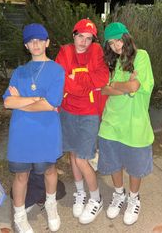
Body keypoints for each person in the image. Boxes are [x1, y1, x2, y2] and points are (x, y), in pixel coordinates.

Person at [3, 23, 65, 233]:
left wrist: (21, 100)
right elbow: (7, 103)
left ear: (47, 43)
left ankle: (51, 205)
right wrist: (36, 99)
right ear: (26, 46)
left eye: (39, 39)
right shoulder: (20, 72)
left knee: (49, 170)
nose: (35, 43)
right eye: (31, 41)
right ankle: (19, 216)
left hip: (46, 131)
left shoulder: (57, 70)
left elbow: (52, 103)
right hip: (21, 133)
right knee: (21, 176)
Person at [98, 22, 154, 226]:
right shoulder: (113, 62)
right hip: (111, 121)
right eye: (111, 43)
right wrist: (123, 86)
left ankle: (133, 198)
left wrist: (116, 86)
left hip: (135, 123)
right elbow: (104, 90)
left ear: (127, 37)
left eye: (118, 40)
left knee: (135, 166)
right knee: (113, 161)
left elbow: (135, 86)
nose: (115, 45)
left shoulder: (142, 56)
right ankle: (119, 194)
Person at [55, 19, 109, 224]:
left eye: (88, 38)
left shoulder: (96, 52)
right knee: (73, 153)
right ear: (74, 35)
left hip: (89, 112)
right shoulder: (65, 52)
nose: (84, 42)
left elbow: (103, 78)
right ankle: (80, 192)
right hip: (68, 111)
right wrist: (86, 83)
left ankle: (96, 198)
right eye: (80, 37)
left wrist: (75, 83)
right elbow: (61, 80)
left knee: (82, 158)